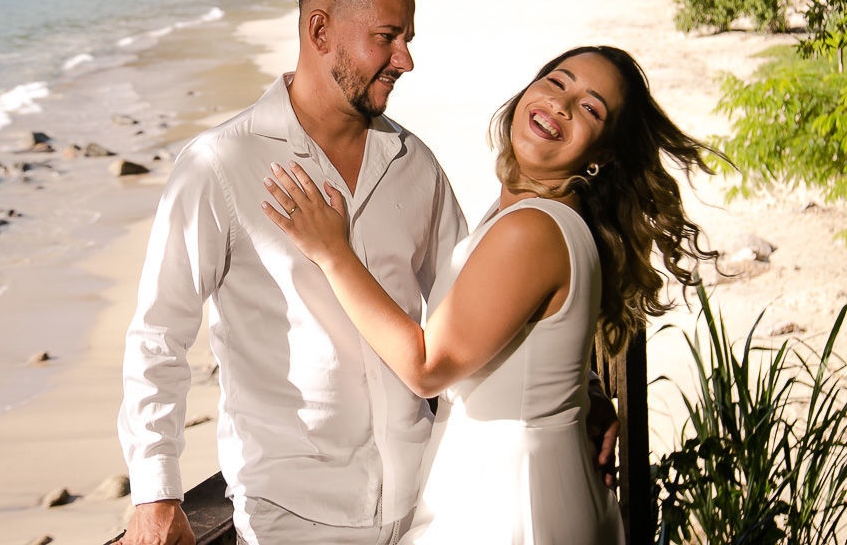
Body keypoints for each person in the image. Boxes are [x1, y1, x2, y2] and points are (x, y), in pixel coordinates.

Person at [263, 45, 718, 544]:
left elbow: (427, 366)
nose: (561, 105)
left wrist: (333, 252)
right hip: (519, 486)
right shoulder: (532, 218)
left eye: (590, 108)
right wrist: (586, 393)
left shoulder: (533, 231)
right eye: (558, 81)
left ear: (602, 156)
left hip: (510, 502)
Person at [118, 0, 468, 545]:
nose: (405, 60)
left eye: (407, 39)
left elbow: (469, 301)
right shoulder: (218, 165)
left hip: (424, 497)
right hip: (291, 514)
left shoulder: (416, 163)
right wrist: (156, 492)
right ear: (320, 29)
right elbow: (159, 332)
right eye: (387, 37)